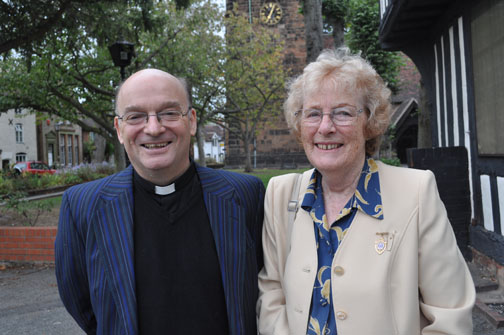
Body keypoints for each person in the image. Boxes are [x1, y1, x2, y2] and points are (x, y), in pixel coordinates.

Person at [257, 49, 475, 335]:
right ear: (299, 124)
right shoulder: (281, 195)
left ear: (369, 122)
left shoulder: (416, 192)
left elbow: (451, 317)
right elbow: (272, 294)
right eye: (312, 114)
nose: (325, 127)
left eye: (343, 113)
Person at [55, 69, 265, 335]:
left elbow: (263, 290)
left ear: (191, 120)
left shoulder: (246, 195)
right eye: (135, 116)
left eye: (168, 113)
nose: (153, 128)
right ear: (119, 129)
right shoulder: (82, 206)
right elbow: (82, 304)